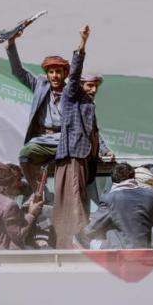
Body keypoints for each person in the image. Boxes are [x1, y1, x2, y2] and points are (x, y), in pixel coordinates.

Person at [6, 29, 113, 192]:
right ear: (47, 74)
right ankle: (38, 192)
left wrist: (104, 150)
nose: (55, 76)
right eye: (51, 72)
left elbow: (90, 128)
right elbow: (18, 71)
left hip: (66, 141)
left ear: (65, 74)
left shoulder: (73, 94)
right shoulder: (40, 86)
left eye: (58, 72)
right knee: (25, 154)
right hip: (43, 140)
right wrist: (11, 43)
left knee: (72, 174)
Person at [52, 24, 112, 249]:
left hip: (85, 158)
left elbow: (95, 133)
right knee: (74, 196)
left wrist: (105, 151)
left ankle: (77, 237)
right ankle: (79, 237)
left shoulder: (88, 105)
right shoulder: (71, 96)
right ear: (79, 85)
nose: (93, 90)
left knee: (80, 198)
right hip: (73, 155)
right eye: (89, 85)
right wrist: (83, 42)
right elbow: (75, 71)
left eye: (96, 86)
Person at [82, 163, 153, 249]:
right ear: (133, 177)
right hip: (147, 247)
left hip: (121, 248)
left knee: (89, 241)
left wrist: (80, 232)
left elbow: (91, 229)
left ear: (113, 180)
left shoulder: (110, 198)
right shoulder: (151, 195)